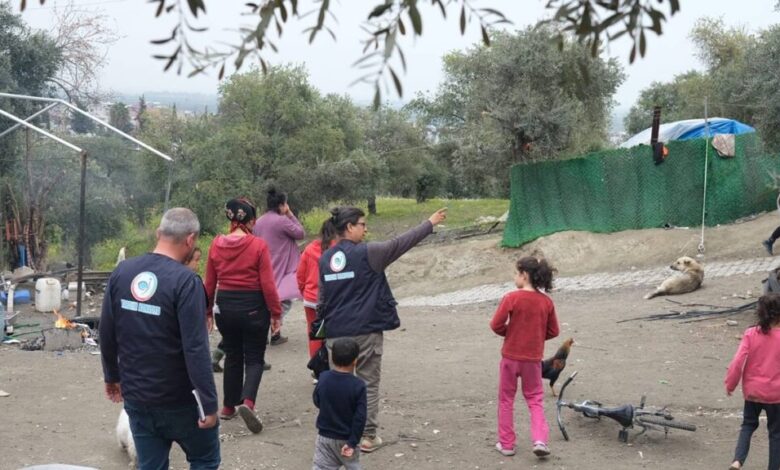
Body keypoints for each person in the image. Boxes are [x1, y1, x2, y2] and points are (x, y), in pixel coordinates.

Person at [318, 206, 447, 453]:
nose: (366, 229)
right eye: (362, 224)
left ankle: (339, 434)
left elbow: (322, 300)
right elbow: (401, 243)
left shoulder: (325, 258)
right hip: (365, 331)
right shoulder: (371, 253)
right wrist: (429, 223)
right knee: (367, 383)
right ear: (349, 227)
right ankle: (367, 436)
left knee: (340, 382)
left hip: (334, 334)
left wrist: (320, 339)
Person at [99, 207, 220, 469]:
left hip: (138, 398)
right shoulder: (187, 281)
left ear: (158, 233)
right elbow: (195, 347)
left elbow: (107, 331)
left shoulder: (122, 272)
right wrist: (208, 403)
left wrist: (112, 376)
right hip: (181, 402)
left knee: (150, 465)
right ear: (190, 240)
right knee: (205, 459)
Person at [204, 197, 282, 434]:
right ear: (250, 221)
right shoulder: (258, 246)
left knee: (233, 356)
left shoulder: (216, 244)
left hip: (225, 307)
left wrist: (208, 311)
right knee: (255, 358)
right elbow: (268, 284)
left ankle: (228, 407)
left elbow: (209, 284)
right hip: (253, 307)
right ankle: (247, 402)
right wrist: (276, 313)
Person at [489, 256, 560, 459]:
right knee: (535, 399)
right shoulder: (546, 302)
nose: (514, 277)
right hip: (532, 360)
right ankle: (540, 440)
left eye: (516, 273)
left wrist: (511, 333)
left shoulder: (511, 298)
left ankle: (507, 444)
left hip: (510, 358)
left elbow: (496, 324)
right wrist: (535, 337)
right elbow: (554, 330)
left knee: (506, 400)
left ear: (524, 275)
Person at [725, 293, 780, 470]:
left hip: (753, 392)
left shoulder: (751, 333)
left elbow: (737, 361)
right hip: (776, 394)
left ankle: (737, 461)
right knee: (776, 434)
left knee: (748, 425)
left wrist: (731, 384)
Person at [252, 187, 304, 345]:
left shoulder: (258, 222)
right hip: (283, 267)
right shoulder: (282, 221)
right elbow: (300, 233)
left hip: (264, 266)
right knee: (285, 299)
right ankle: (272, 328)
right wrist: (290, 214)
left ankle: (275, 333)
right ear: (282, 204)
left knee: (269, 300)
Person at [312, 338, 367, 470]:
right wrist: (353, 442)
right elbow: (360, 418)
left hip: (325, 436)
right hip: (347, 437)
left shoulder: (324, 377)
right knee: (352, 465)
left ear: (332, 357)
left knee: (321, 466)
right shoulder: (358, 385)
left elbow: (316, 400)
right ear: (355, 360)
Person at [297, 218, 337, 368]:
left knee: (315, 334)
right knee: (334, 333)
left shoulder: (309, 249)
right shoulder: (338, 250)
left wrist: (305, 292)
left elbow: (300, 275)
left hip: (311, 299)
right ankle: (335, 365)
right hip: (332, 300)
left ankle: (317, 369)